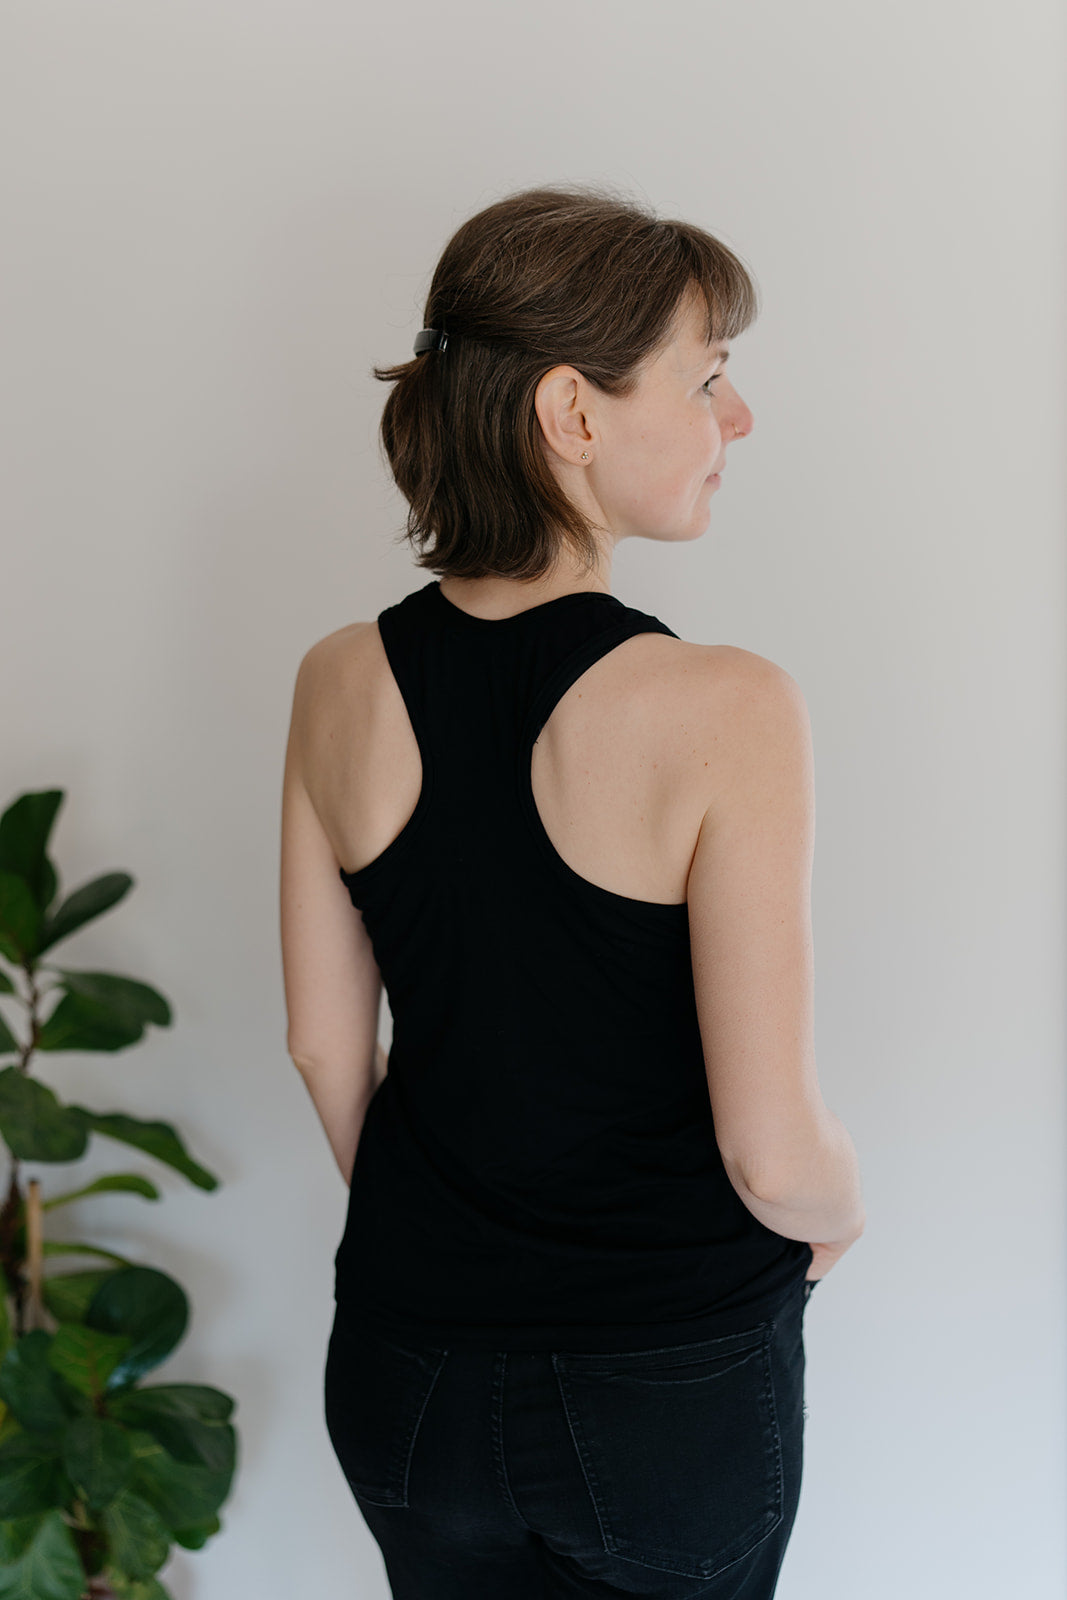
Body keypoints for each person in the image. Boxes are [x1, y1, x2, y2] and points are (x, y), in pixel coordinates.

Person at [280, 183, 866, 1600]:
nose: (736, 420)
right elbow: (771, 1155)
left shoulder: (339, 676)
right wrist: (836, 1219)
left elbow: (318, 1041)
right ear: (572, 413)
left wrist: (455, 1247)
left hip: (408, 1372)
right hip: (662, 1385)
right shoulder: (727, 706)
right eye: (708, 378)